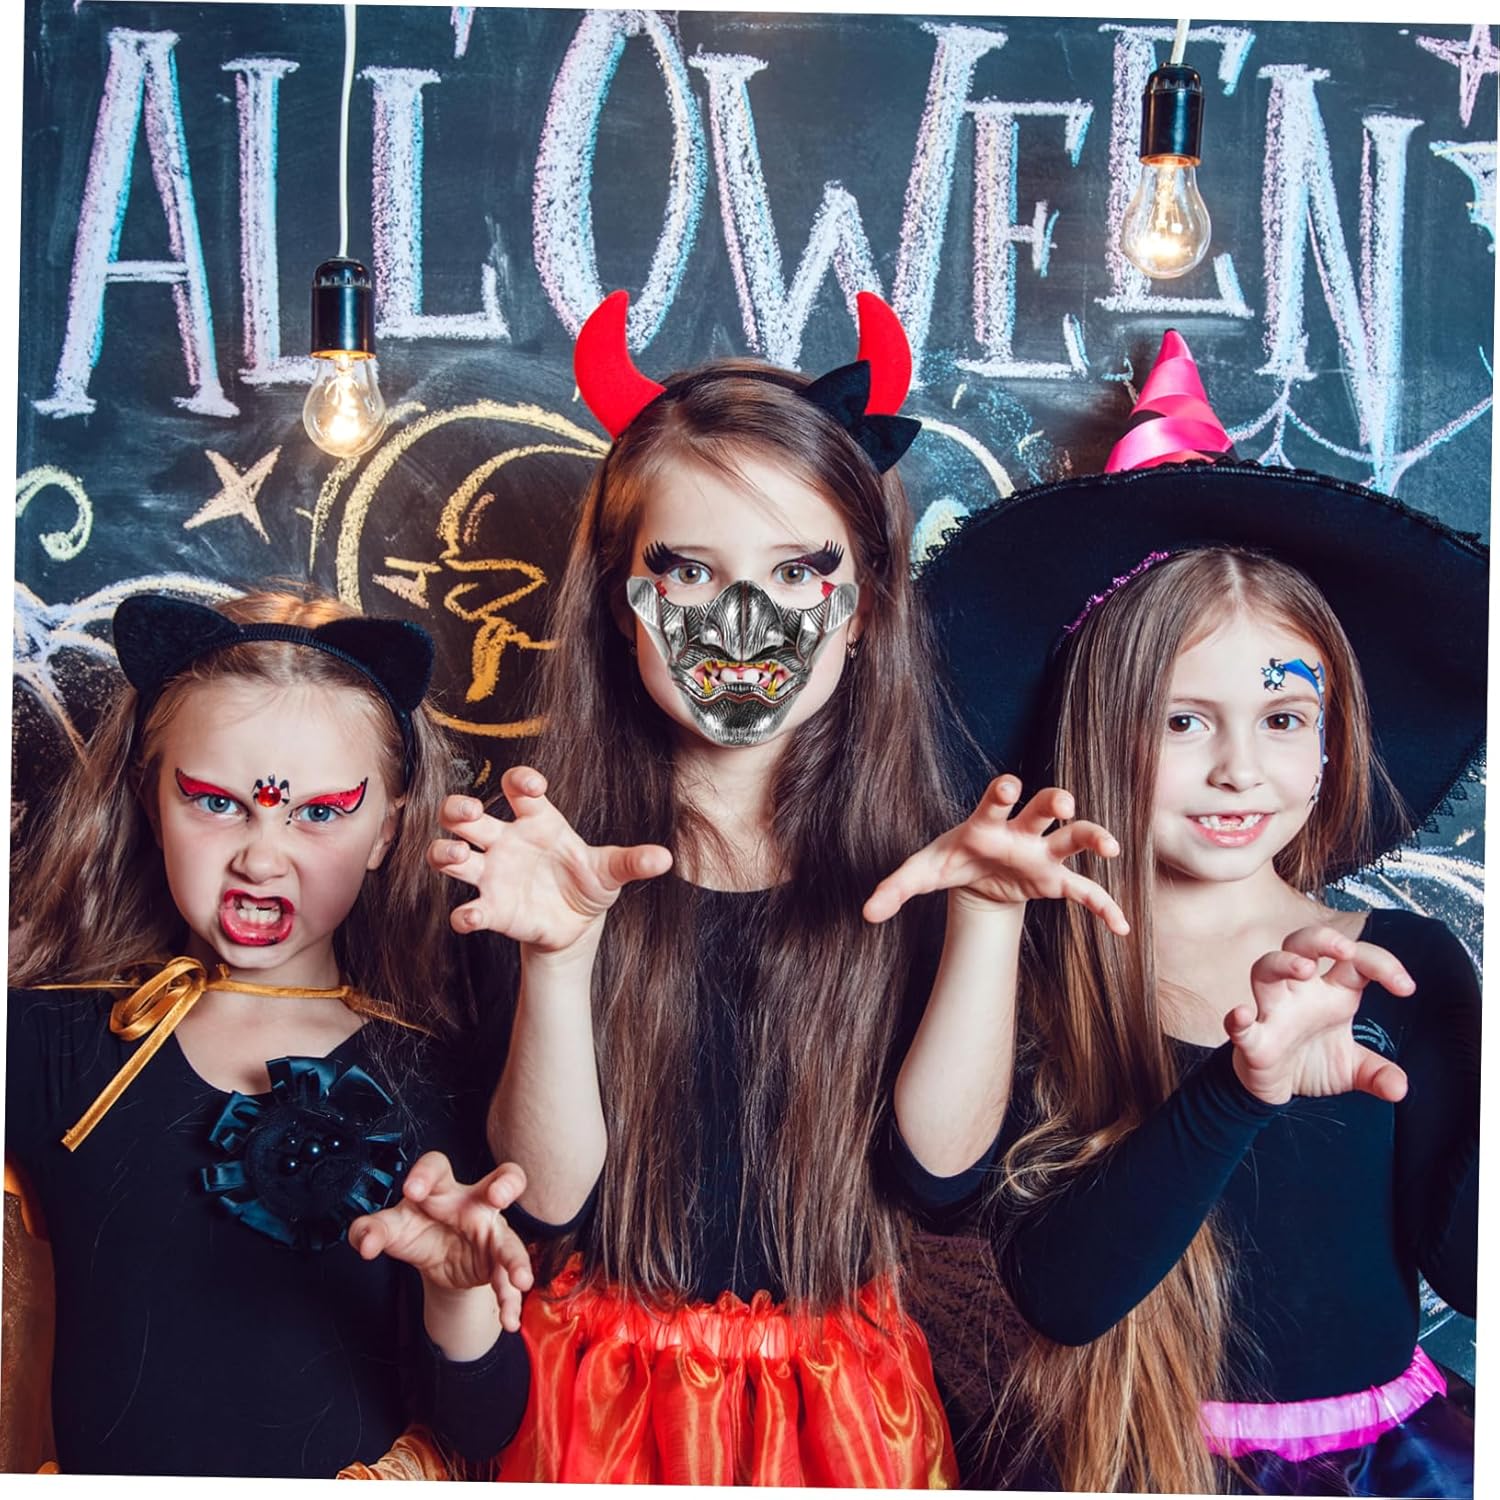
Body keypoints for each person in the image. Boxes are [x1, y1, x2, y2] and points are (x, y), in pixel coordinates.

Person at [428, 290, 1126, 1486]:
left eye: (799, 571)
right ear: (622, 605)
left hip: (846, 1422)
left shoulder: (935, 862)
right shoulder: (540, 859)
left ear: (861, 609)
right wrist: (559, 958)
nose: (744, 624)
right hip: (595, 1415)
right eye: (689, 571)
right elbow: (543, 1204)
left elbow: (938, 1177)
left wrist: (985, 922)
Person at [922, 331, 1485, 1495]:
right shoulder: (1035, 969)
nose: (1239, 769)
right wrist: (1238, 1087)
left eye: (1283, 720)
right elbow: (1064, 1294)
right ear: (1098, 731)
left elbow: (1471, 1264)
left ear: (1331, 742)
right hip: (1115, 1463)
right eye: (1184, 721)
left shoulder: (1403, 971)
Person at [5, 590, 534, 1479]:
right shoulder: (53, 1040)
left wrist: (456, 1297)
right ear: (149, 798)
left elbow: (485, 1429)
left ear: (386, 830)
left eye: (319, 813)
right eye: (216, 803)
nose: (259, 857)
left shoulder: (433, 1077)